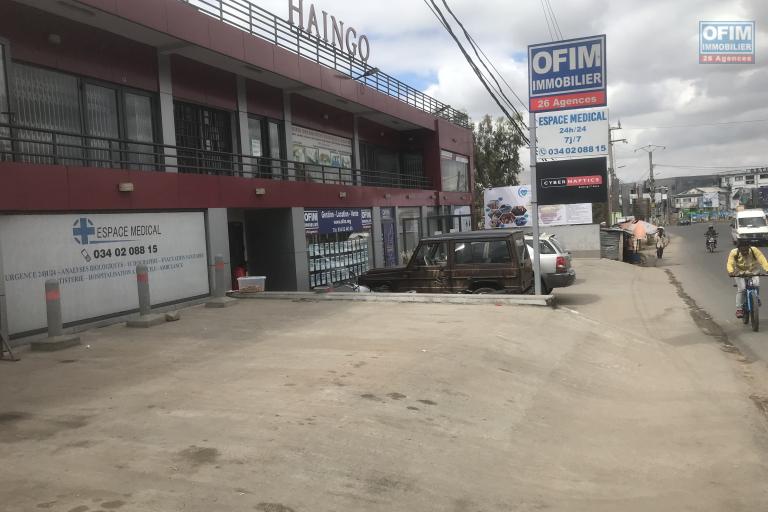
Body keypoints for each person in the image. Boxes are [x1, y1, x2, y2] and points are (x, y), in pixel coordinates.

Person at [727, 239, 768, 318]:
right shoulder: (734, 252)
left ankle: (756, 298)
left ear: (749, 247)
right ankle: (739, 309)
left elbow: (762, 259)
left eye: (746, 250)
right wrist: (730, 271)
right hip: (740, 272)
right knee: (742, 289)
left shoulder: (754, 250)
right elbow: (730, 262)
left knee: (756, 284)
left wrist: (767, 269)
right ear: (739, 249)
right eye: (743, 250)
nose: (745, 252)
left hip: (753, 270)